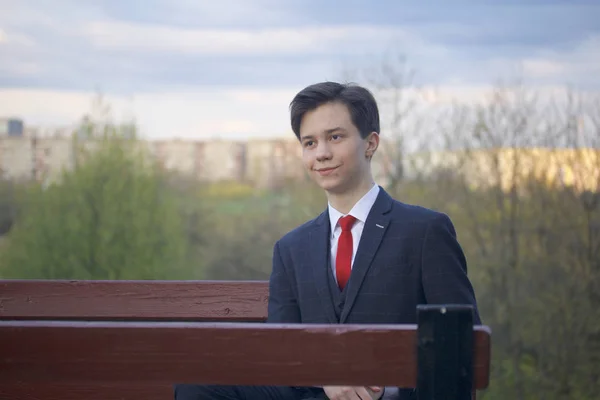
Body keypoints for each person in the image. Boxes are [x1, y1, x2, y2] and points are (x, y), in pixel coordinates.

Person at [174, 81, 481, 400]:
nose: (321, 153)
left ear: (370, 143)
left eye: (335, 137)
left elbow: (463, 348)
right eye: (309, 143)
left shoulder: (425, 231)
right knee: (198, 381)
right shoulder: (291, 249)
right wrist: (326, 379)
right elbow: (281, 355)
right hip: (312, 394)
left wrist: (384, 390)